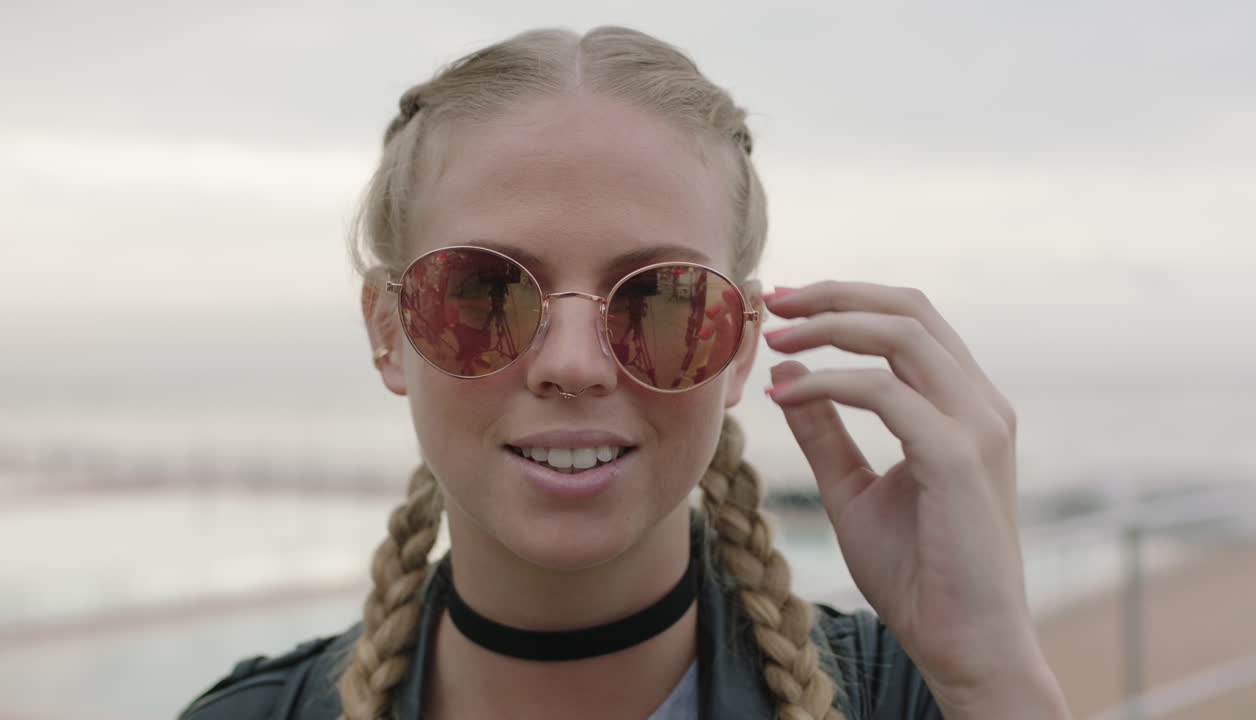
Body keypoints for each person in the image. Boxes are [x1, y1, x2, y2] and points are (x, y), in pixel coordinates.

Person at [178, 26, 1072, 720]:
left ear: (740, 348)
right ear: (387, 331)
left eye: (664, 301)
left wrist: (993, 674)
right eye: (486, 291)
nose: (572, 365)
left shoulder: (914, 703)